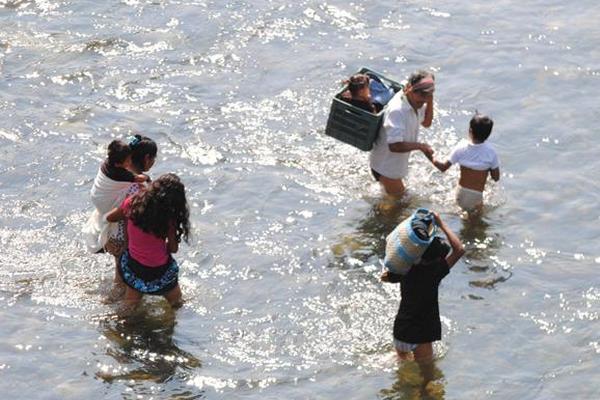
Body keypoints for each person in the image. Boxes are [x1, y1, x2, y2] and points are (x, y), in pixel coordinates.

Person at [381, 212, 464, 385]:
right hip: (420, 336)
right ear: (435, 259)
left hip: (400, 332)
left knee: (403, 374)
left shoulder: (405, 269)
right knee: (428, 381)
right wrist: (441, 224)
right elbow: (460, 250)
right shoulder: (435, 272)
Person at [82, 135, 158, 299]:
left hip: (109, 233)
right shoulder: (134, 186)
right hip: (122, 238)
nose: (153, 162)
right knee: (125, 280)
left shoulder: (115, 172)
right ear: (146, 159)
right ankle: (116, 311)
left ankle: (112, 303)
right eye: (153, 158)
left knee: (120, 275)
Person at [105, 173, 190, 311]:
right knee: (177, 303)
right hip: (159, 271)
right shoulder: (169, 217)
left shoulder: (132, 203)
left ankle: (115, 326)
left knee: (129, 306)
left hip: (134, 268)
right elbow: (173, 249)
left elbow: (110, 218)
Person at [369, 70, 436, 196]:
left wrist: (429, 100)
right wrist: (420, 146)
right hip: (385, 168)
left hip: (392, 166)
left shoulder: (417, 101)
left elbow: (426, 123)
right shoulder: (397, 111)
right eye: (423, 96)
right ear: (410, 89)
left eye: (428, 96)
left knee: (394, 202)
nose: (424, 101)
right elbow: (395, 146)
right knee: (400, 203)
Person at [431, 114, 500, 211]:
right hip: (476, 196)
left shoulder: (461, 147)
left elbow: (443, 167)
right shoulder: (491, 152)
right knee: (475, 222)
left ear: (470, 131)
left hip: (461, 192)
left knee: (460, 212)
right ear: (489, 134)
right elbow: (496, 177)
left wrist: (432, 157)